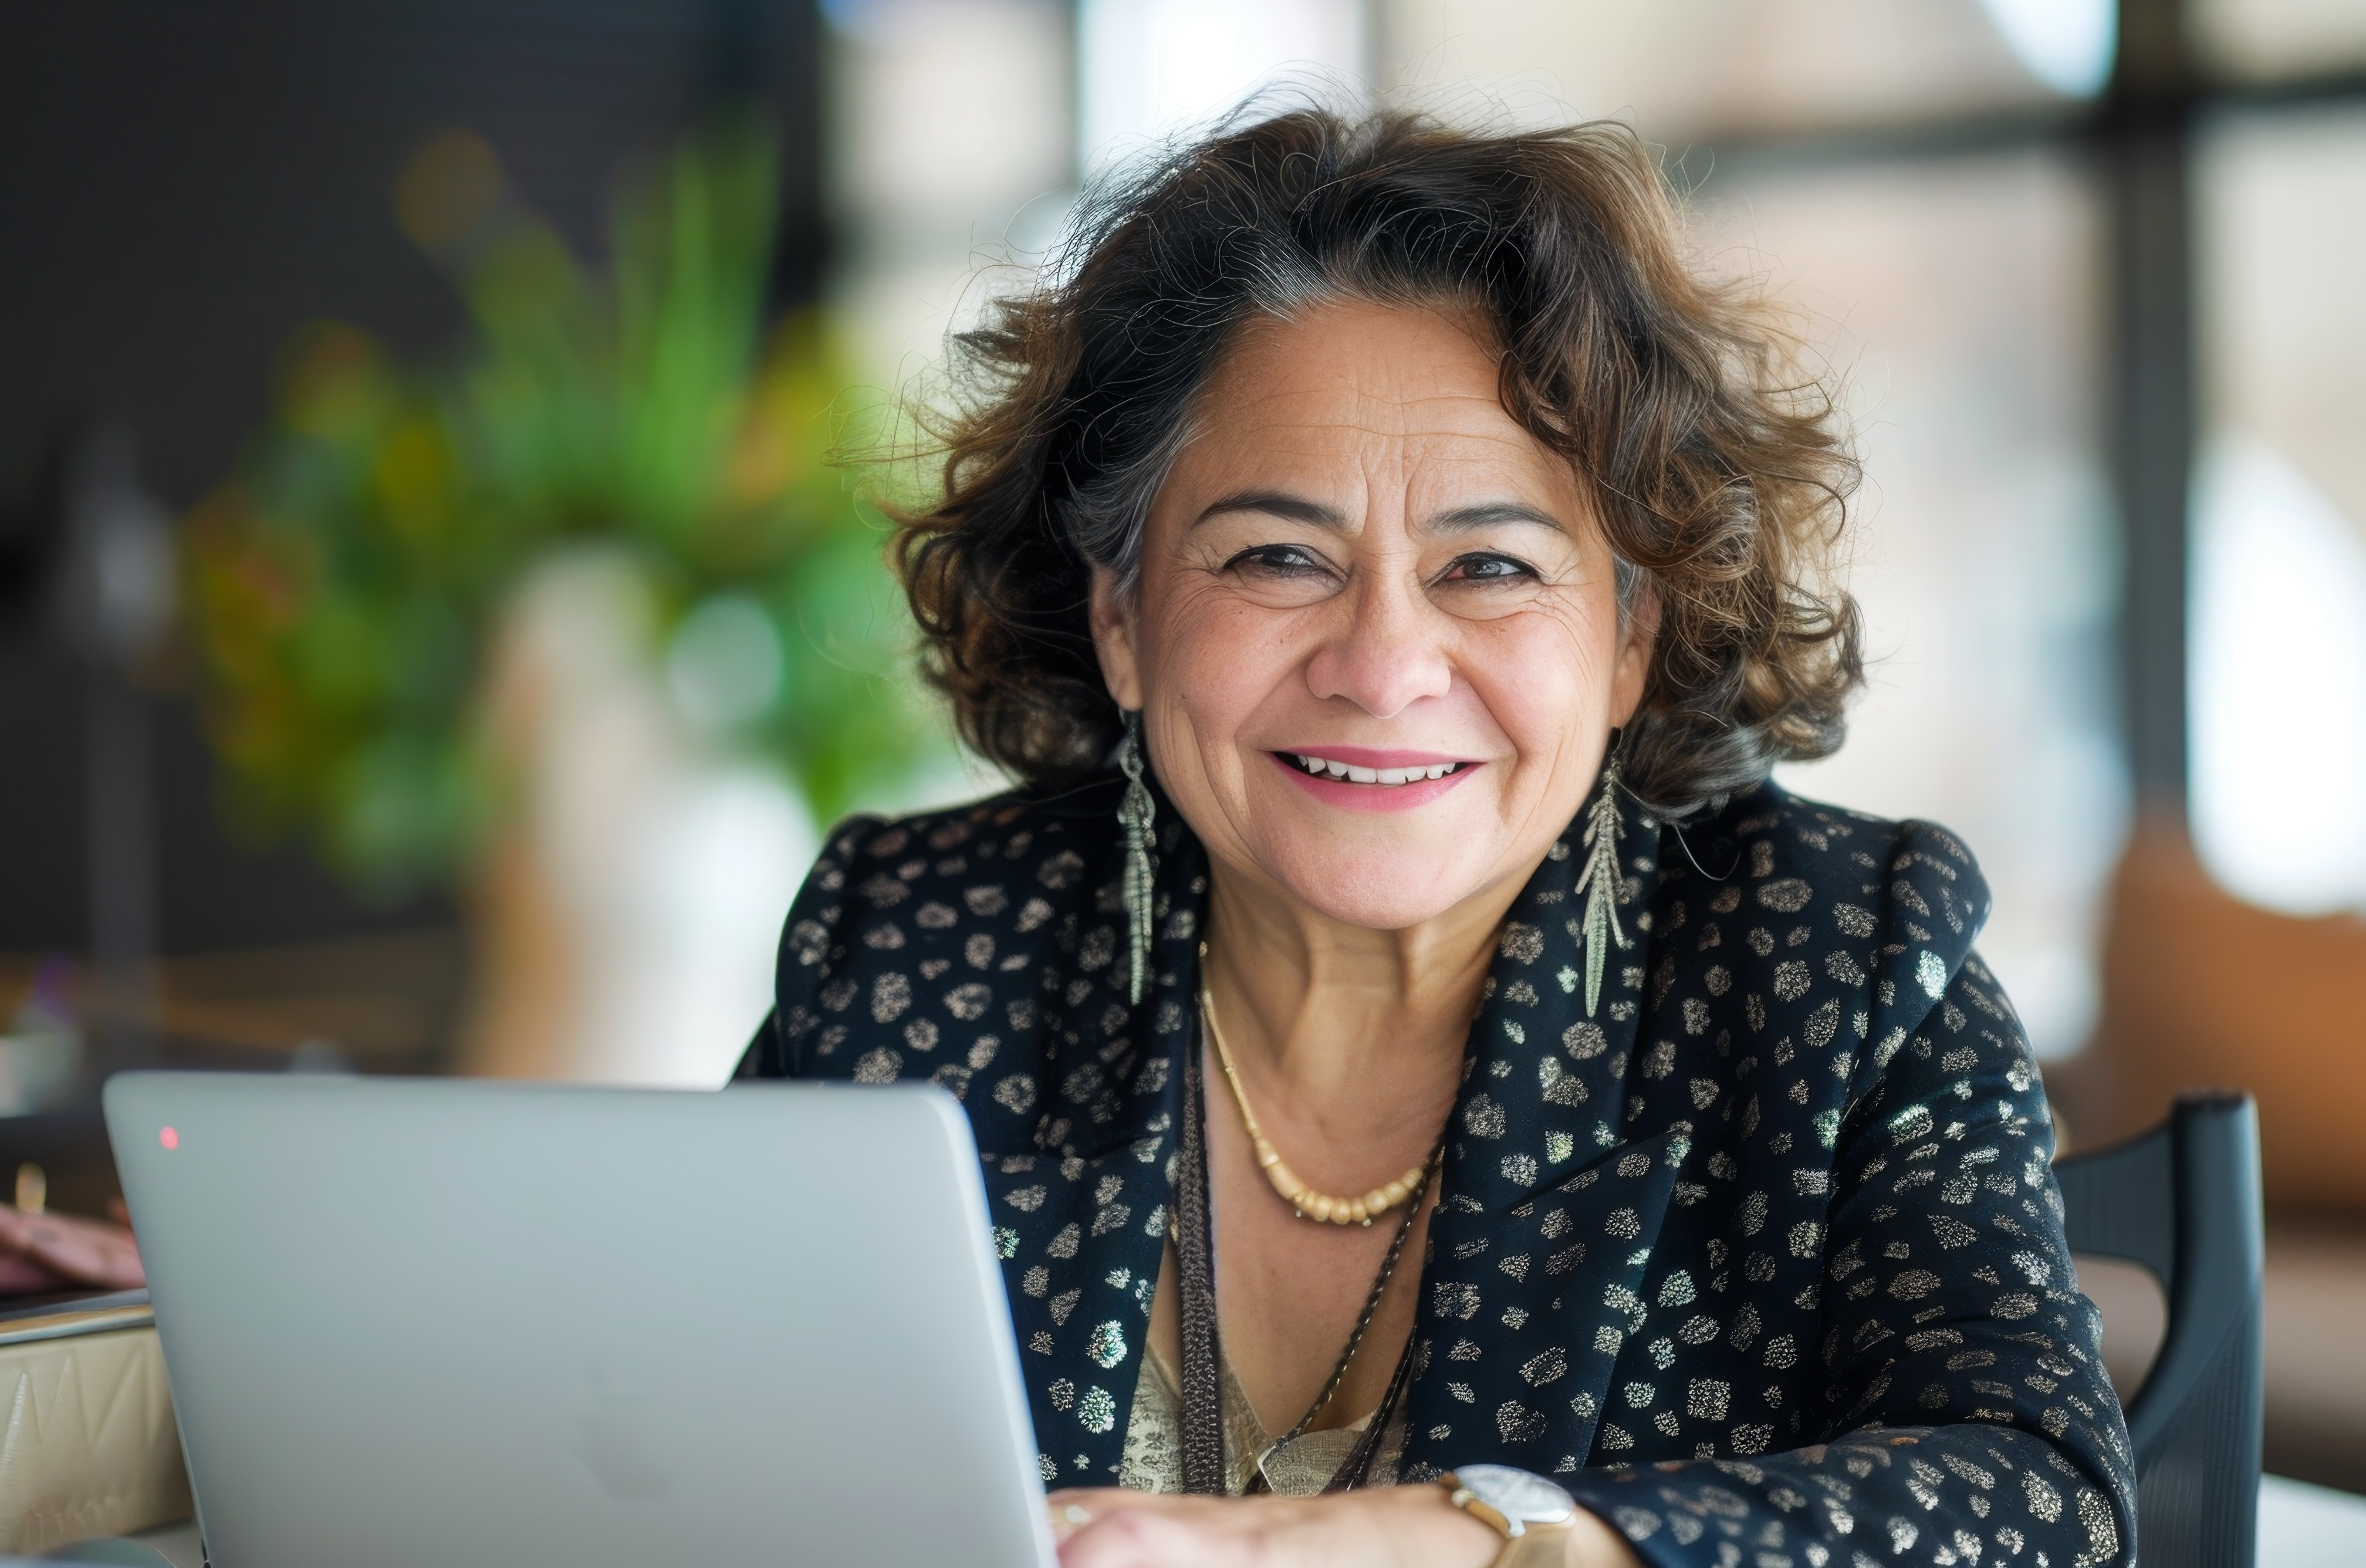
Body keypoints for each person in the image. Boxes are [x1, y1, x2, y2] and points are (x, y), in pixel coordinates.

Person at [760, 105, 2133, 1568]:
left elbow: (2040, 1496)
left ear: (1627, 636)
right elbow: (672, 1420)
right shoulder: (911, 940)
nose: (1383, 665)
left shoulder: (1843, 962)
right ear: (1121, 619)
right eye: (1278, 557)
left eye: (1489, 565)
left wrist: (1434, 1544)